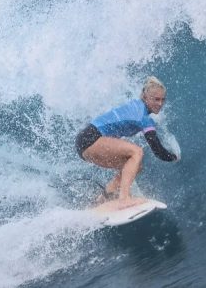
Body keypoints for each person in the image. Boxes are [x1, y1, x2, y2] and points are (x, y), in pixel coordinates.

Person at [75, 76, 178, 209]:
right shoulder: (143, 118)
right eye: (156, 99)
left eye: (163, 100)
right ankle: (124, 199)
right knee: (136, 151)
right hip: (90, 138)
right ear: (145, 97)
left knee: (135, 166)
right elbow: (157, 149)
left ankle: (105, 197)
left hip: (86, 142)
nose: (160, 103)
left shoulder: (136, 106)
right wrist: (174, 157)